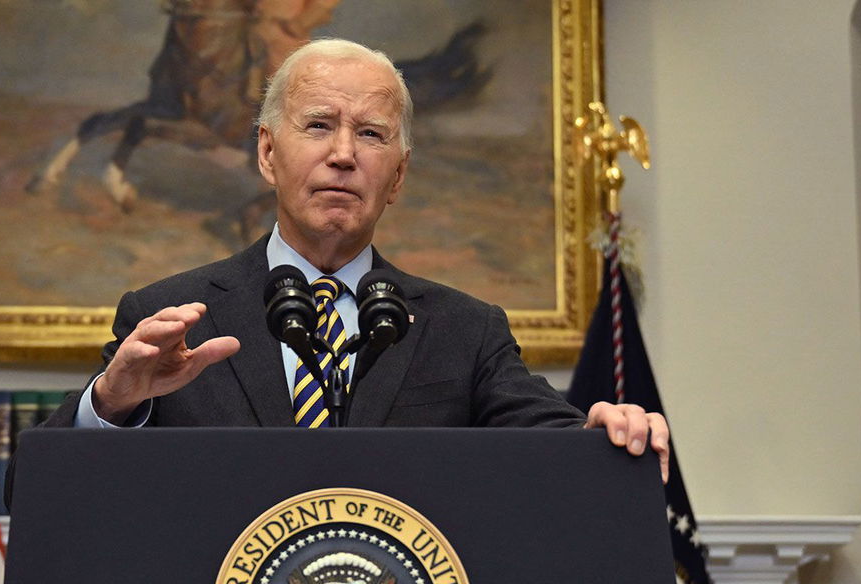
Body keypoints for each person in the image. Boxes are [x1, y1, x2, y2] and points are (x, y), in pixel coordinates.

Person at [36, 38, 669, 479]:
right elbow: (42, 489)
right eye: (318, 126)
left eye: (371, 134)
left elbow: (553, 443)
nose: (344, 154)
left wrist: (608, 433)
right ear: (266, 153)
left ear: (397, 176)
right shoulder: (169, 319)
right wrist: (112, 403)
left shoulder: (465, 332)